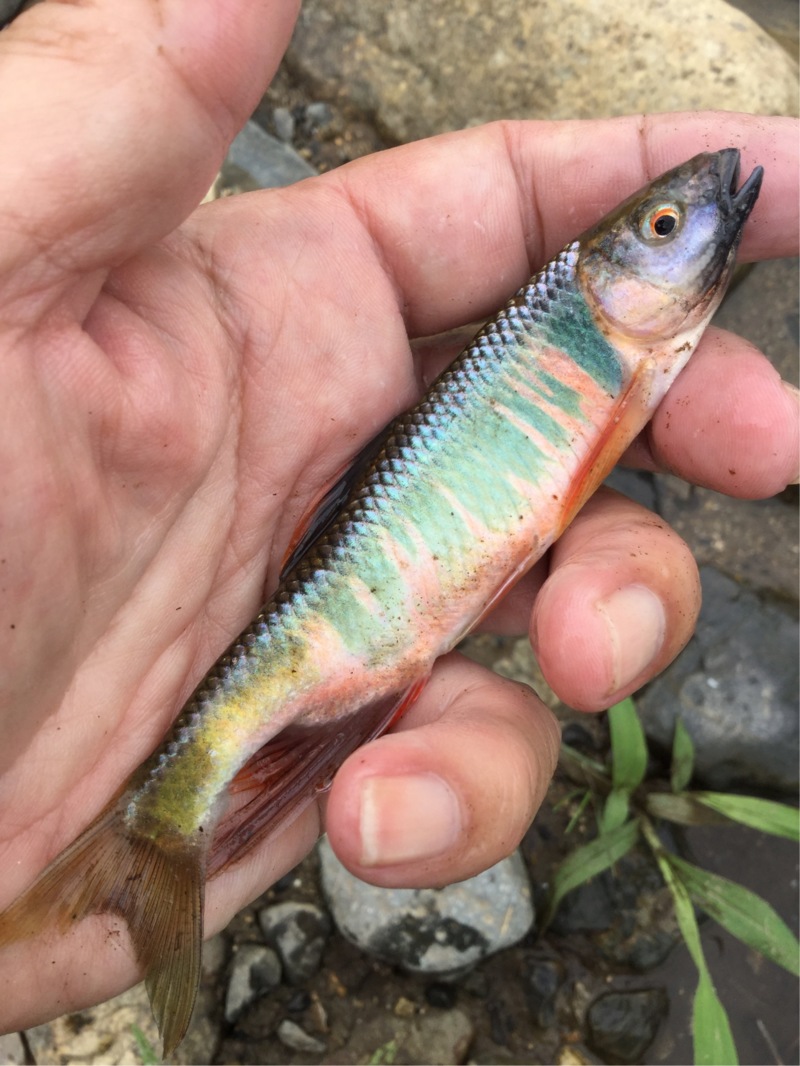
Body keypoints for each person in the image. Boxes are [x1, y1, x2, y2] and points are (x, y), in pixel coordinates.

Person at [0, 0, 797, 1036]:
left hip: (366, 618)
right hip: (358, 624)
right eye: (659, 229)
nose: (689, 230)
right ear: (600, 274)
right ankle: (157, 827)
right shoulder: (605, 341)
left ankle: (151, 840)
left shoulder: (624, 344)